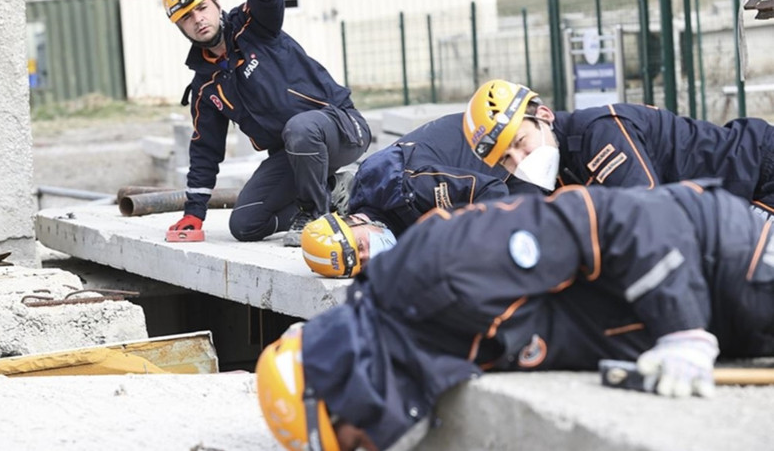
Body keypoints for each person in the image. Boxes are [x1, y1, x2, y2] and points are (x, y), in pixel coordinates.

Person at [256, 179, 774, 451]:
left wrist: (680, 328)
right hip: (716, 317)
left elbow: (625, 218)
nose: (369, 447)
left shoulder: (435, 272)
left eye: (351, 442)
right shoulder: (417, 347)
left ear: (347, 388)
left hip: (726, 262)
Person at [162, 0, 371, 247]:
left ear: (215, 2)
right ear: (180, 27)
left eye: (202, 8)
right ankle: (335, 193)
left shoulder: (253, 26)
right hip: (292, 153)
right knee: (245, 224)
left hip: (341, 128)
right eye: (187, 17)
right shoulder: (206, 86)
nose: (198, 19)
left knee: (300, 128)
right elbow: (205, 149)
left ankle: (313, 215)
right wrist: (194, 213)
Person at [462, 78, 774, 217]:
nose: (520, 161)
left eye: (520, 143)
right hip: (731, 202)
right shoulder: (559, 170)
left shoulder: (599, 134)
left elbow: (647, 214)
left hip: (758, 173)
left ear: (543, 115)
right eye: (506, 159)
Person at [300, 112, 540, 278]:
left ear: (355, 220)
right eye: (361, 263)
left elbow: (491, 192)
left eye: (360, 245)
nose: (368, 255)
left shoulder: (404, 188)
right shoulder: (381, 214)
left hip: (511, 153)